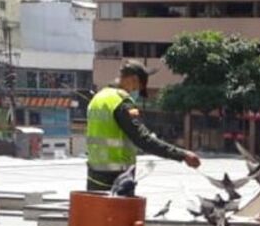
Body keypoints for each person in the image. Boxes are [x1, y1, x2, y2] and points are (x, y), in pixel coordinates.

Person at [85, 61, 200, 191]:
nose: (136, 93)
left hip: (94, 176)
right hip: (116, 179)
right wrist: (182, 155)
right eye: (138, 88)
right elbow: (143, 139)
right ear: (134, 79)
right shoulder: (122, 102)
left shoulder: (98, 98)